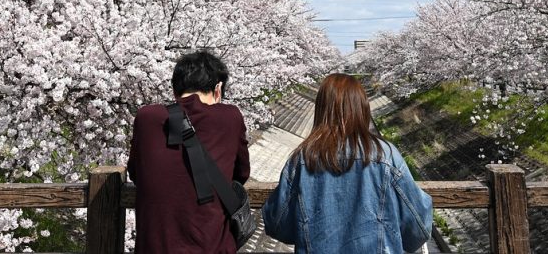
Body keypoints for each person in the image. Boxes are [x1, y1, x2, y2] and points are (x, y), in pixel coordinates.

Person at [262, 73, 433, 253]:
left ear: (321, 108)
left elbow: (277, 224)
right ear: (362, 107)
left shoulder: (302, 158)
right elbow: (418, 225)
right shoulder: (386, 155)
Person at [127, 50, 251, 254]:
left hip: (156, 246)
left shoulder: (146, 117)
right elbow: (241, 174)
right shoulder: (230, 117)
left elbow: (136, 172)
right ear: (218, 89)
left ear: (175, 90)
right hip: (210, 245)